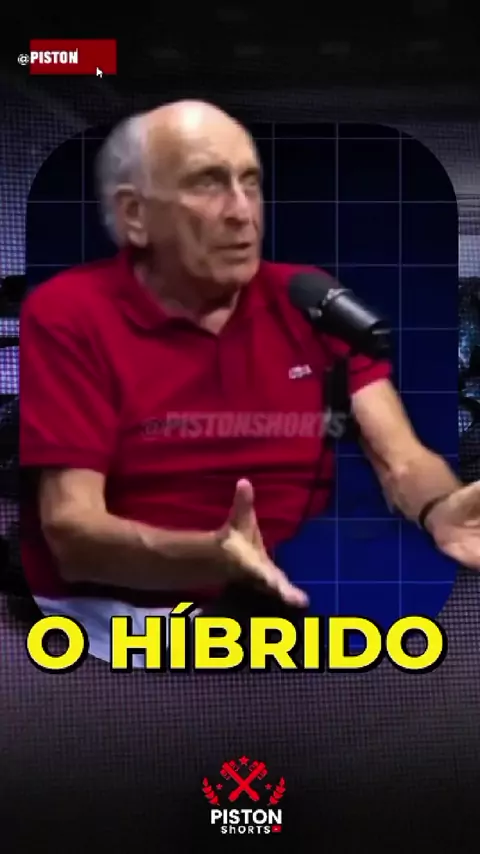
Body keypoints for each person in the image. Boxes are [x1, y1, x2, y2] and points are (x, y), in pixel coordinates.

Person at [20, 100, 480, 667]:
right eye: (206, 184)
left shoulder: (310, 298)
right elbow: (72, 531)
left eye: (250, 182)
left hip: (254, 599)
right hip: (101, 625)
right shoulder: (70, 313)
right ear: (135, 215)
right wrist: (206, 557)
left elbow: (400, 458)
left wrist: (439, 506)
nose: (242, 212)